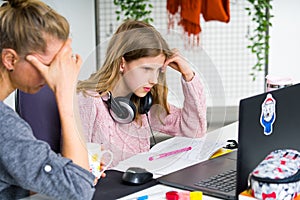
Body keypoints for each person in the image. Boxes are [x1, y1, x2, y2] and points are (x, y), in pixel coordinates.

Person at [77, 20, 207, 167]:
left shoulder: (144, 103)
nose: (154, 80)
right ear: (122, 63)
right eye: (146, 69)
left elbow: (194, 131)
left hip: (142, 186)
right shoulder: (88, 100)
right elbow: (76, 164)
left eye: (157, 70)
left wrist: (188, 74)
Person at [0, 0, 96, 199]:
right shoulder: (5, 125)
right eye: (50, 64)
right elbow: (79, 191)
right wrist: (66, 96)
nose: (56, 74)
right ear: (10, 59)